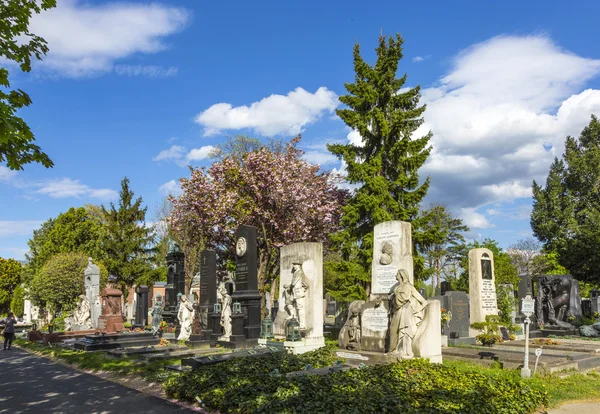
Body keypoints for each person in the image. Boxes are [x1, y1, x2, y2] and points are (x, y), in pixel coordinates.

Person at [388, 269, 428, 359]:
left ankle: (394, 350)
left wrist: (417, 310)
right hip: (396, 310)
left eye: (397, 274)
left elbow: (423, 301)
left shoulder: (408, 286)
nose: (395, 276)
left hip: (403, 311)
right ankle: (392, 350)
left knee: (397, 331)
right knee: (393, 330)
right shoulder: (398, 286)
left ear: (401, 276)